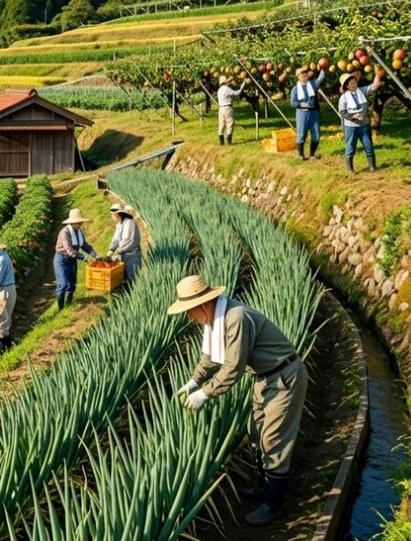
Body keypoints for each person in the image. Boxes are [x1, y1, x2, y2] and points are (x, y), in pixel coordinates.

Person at [168, 275, 306, 526]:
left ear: (202, 305)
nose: (189, 318)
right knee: (256, 432)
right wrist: (194, 381)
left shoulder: (236, 318)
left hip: (284, 378)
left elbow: (233, 368)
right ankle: (262, 487)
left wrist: (205, 394)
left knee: (273, 439)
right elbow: (210, 358)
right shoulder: (215, 320)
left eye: (189, 312)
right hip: (264, 379)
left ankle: (273, 506)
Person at [53, 208, 99, 310]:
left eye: (80, 223)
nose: (79, 225)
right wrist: (83, 257)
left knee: (72, 284)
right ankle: (60, 309)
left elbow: (85, 246)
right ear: (72, 222)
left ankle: (68, 306)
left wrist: (95, 255)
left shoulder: (79, 232)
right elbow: (69, 250)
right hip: (62, 259)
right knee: (63, 284)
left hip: (72, 260)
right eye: (77, 223)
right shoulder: (64, 232)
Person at [338, 70, 382, 174]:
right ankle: (350, 169)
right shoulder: (343, 98)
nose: (354, 85)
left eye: (355, 82)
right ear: (347, 86)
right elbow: (342, 113)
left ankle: (372, 167)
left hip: (364, 125)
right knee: (350, 147)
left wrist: (378, 74)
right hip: (351, 127)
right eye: (351, 83)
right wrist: (353, 116)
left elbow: (374, 86)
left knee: (368, 145)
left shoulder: (361, 91)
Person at [289, 66, 326, 161]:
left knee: (316, 135)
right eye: (303, 76)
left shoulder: (312, 84)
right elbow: (293, 103)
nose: (305, 78)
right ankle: (301, 155)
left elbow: (320, 79)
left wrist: (322, 68)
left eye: (306, 76)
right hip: (302, 114)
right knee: (301, 134)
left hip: (313, 113)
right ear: (298, 77)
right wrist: (303, 104)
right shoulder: (295, 89)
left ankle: (312, 155)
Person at [105, 203, 141, 285]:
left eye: (112, 215)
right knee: (124, 278)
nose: (112, 217)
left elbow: (134, 241)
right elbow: (115, 239)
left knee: (132, 279)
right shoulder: (119, 225)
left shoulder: (130, 223)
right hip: (123, 255)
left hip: (132, 256)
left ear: (117, 214)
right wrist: (110, 251)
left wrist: (121, 250)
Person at [217, 75, 246, 146]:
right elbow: (237, 93)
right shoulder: (227, 89)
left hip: (221, 108)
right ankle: (229, 142)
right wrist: (243, 84)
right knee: (230, 123)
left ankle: (221, 142)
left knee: (221, 124)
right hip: (227, 108)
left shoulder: (219, 90)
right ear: (225, 82)